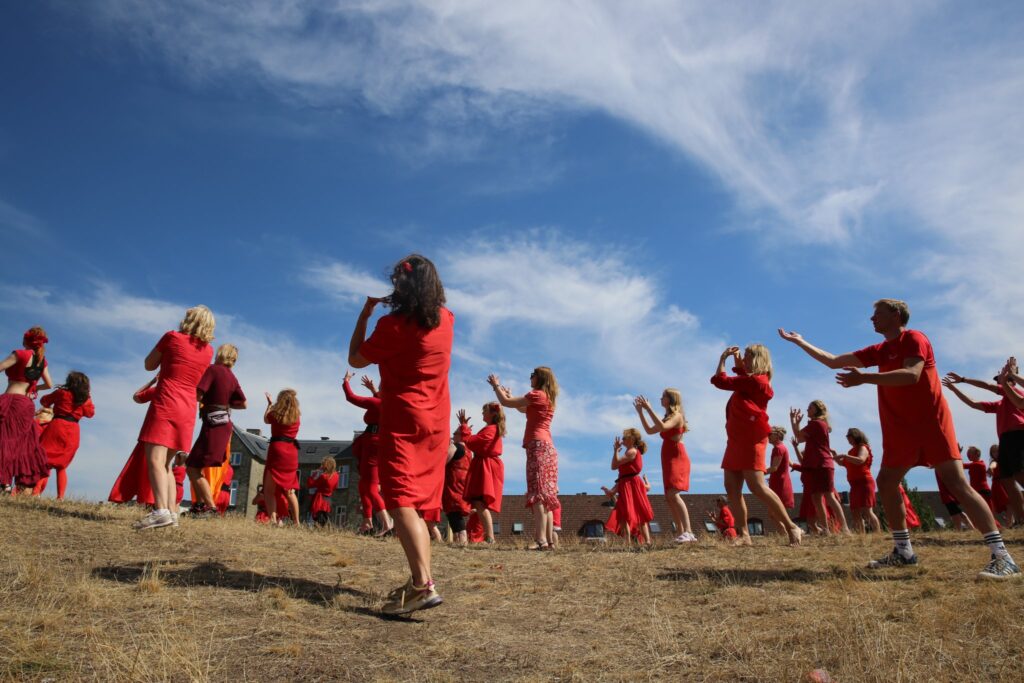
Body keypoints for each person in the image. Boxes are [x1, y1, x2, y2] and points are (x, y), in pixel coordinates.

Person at [779, 299, 1018, 578]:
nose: (871, 319)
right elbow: (833, 361)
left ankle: (1003, 557)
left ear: (895, 315)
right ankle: (903, 550)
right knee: (887, 482)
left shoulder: (915, 338)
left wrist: (865, 379)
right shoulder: (880, 350)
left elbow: (912, 375)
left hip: (931, 424)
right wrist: (800, 341)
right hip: (901, 430)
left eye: (877, 314)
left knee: (957, 484)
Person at [348, 254, 453, 615]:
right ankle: (418, 582)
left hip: (405, 419)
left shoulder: (392, 326)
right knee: (417, 503)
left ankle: (423, 584)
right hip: (437, 421)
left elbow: (356, 360)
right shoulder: (447, 320)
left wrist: (364, 316)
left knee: (399, 498)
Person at [711, 344, 803, 546]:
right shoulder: (752, 379)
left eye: (746, 356)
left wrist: (723, 359)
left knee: (757, 486)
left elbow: (720, 380)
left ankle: (792, 526)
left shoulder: (757, 382)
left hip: (751, 438)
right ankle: (744, 535)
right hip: (736, 438)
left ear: (756, 358)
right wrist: (737, 360)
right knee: (732, 487)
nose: (743, 359)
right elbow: (743, 372)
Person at [133, 307, 215, 530]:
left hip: (167, 400)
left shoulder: (172, 337)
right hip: (188, 407)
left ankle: (160, 511)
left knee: (155, 460)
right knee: (167, 463)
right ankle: (171, 512)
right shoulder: (208, 351)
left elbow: (149, 364)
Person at [489, 366, 560, 550]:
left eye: (532, 375)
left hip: (538, 447)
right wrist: (508, 395)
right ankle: (549, 541)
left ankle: (540, 540)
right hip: (546, 448)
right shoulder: (546, 397)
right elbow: (520, 407)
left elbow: (506, 402)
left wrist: (496, 386)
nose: (530, 377)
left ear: (540, 378)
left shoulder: (537, 394)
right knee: (546, 496)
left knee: (538, 495)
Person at [943, 368, 1024, 524]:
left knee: (1020, 475)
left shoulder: (1016, 391)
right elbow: (973, 403)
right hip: (1006, 440)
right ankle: (1022, 519)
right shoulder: (1000, 404)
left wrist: (964, 379)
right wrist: (954, 389)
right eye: (999, 379)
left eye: (1002, 379)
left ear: (1012, 381)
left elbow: (987, 386)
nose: (999, 381)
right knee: (1007, 480)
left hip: (1018, 435)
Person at [187, 344, 246, 515]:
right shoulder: (232, 377)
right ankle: (200, 505)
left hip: (212, 424)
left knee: (193, 466)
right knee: (196, 465)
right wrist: (225, 404)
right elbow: (243, 403)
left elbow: (198, 394)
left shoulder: (213, 370)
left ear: (220, 354)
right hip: (223, 424)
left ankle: (209, 507)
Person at [635, 390, 695, 543]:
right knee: (669, 497)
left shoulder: (677, 416)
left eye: (664, 396)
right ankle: (681, 532)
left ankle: (689, 531)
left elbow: (662, 427)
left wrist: (648, 409)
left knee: (674, 494)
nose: (661, 398)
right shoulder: (667, 417)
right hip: (668, 458)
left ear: (671, 399)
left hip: (677, 456)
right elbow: (649, 430)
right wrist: (641, 412)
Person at [0, 327, 53, 492]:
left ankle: (4, 481)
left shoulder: (20, 354)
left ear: (27, 340)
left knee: (4, 440)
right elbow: (49, 384)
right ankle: (7, 483)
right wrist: (34, 389)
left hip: (11, 401)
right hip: (26, 405)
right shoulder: (41, 360)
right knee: (17, 444)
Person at [343, 371, 393, 535]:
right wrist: (374, 391)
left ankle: (387, 523)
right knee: (363, 485)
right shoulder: (386, 402)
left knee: (371, 487)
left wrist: (346, 381)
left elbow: (351, 397)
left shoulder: (376, 403)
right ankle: (367, 523)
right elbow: (380, 400)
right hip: (373, 441)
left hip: (373, 443)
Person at [790, 400, 850, 534]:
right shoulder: (820, 424)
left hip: (821, 463)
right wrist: (796, 423)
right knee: (817, 498)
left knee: (828, 496)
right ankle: (826, 529)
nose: (807, 410)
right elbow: (799, 438)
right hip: (817, 464)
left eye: (810, 408)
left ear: (817, 410)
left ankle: (844, 527)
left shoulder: (816, 423)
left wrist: (794, 422)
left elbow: (798, 437)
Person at [34, 371, 94, 499]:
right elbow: (90, 414)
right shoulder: (85, 399)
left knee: (45, 461)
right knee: (62, 466)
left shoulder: (62, 393)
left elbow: (44, 401)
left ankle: (36, 492)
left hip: (57, 425)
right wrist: (88, 397)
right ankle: (60, 497)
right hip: (73, 430)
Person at [455, 403, 505, 544]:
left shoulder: (491, 429)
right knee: (479, 502)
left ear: (492, 414)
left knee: (480, 502)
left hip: (486, 467)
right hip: (485, 466)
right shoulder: (492, 429)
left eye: (485, 411)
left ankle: (490, 537)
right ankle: (489, 537)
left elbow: (472, 442)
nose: (482, 413)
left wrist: (464, 427)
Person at [108, 376, 159, 505]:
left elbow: (137, 396)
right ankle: (153, 500)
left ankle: (145, 499)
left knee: (141, 465)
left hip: (151, 431)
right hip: (169, 436)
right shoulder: (183, 390)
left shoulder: (159, 389)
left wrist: (152, 382)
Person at [604, 429, 655, 546]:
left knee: (637, 512)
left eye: (624, 438)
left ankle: (647, 541)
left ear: (631, 439)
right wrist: (612, 491)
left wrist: (616, 451)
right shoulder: (630, 452)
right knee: (623, 513)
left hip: (632, 484)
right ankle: (628, 542)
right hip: (626, 484)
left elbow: (615, 465)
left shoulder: (632, 451)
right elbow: (617, 469)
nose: (622, 440)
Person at [263, 389, 301, 526]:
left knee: (269, 490)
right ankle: (297, 522)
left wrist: (270, 404)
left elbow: (266, 419)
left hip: (277, 449)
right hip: (291, 452)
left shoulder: (275, 414)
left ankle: (273, 520)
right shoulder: (297, 417)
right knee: (290, 491)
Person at [835, 428, 881, 532]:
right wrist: (835, 455)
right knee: (855, 510)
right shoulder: (851, 451)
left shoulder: (863, 447)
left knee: (867, 510)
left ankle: (877, 533)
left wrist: (845, 456)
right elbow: (843, 463)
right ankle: (861, 535)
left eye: (850, 438)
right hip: (854, 484)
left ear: (856, 436)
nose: (849, 441)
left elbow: (860, 460)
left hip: (864, 482)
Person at [442, 437, 472, 545]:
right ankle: (460, 540)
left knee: (453, 511)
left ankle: (462, 541)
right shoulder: (469, 452)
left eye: (455, 433)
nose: (452, 436)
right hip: (462, 484)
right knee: (456, 512)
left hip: (452, 484)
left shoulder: (456, 447)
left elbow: (443, 461)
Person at [767, 426, 795, 532]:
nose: (768, 436)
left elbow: (774, 468)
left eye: (770, 434)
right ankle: (786, 532)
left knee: (774, 512)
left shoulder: (778, 448)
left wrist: (759, 473)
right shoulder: (781, 447)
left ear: (777, 435)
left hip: (780, 482)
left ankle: (789, 531)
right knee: (774, 512)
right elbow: (789, 462)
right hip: (778, 481)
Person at [307, 457, 340, 526]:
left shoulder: (323, 476)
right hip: (328, 498)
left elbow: (311, 483)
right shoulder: (336, 475)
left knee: (315, 515)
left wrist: (315, 474)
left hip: (320, 498)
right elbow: (335, 487)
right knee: (325, 515)